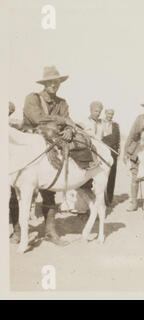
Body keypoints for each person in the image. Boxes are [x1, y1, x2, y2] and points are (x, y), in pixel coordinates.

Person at [17, 66, 84, 246]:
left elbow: (69, 120)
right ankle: (17, 230)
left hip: (50, 149)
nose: (54, 85)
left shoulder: (62, 103)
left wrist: (69, 130)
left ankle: (50, 231)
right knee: (20, 190)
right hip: (29, 148)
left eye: (57, 82)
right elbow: (38, 118)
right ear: (44, 84)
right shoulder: (33, 98)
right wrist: (64, 122)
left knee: (50, 189)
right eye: (50, 82)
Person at [102, 109, 121, 206]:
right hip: (101, 152)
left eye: (112, 114)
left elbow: (118, 140)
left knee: (111, 175)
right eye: (108, 113)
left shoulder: (116, 125)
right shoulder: (100, 123)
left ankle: (109, 199)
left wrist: (118, 151)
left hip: (113, 153)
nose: (110, 115)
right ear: (105, 113)